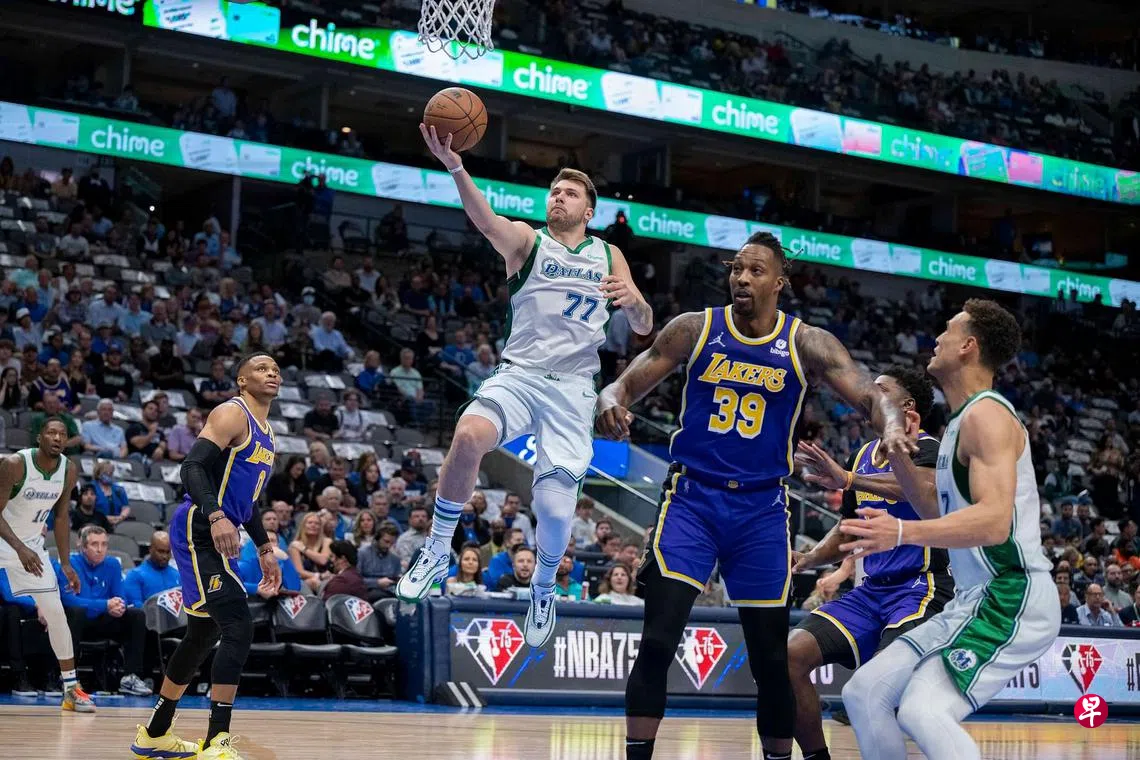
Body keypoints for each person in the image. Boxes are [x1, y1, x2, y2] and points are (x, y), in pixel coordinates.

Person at [596, 232, 911, 760]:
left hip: (761, 510)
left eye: (755, 271)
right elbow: (623, 385)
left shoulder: (807, 342)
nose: (741, 278)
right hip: (692, 501)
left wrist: (894, 424)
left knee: (770, 661)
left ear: (779, 282)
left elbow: (868, 394)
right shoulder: (695, 328)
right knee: (657, 642)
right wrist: (610, 399)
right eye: (736, 269)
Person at [397, 127, 652, 656]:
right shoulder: (527, 241)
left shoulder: (609, 255)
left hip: (574, 389)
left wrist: (634, 301)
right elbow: (484, 220)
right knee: (469, 434)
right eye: (554, 191)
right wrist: (456, 167)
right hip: (520, 374)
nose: (558, 197)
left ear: (588, 210)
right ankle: (438, 549)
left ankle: (542, 586)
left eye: (570, 193)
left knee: (555, 511)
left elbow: (645, 326)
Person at [839, 299, 1061, 760]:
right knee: (863, 692)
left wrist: (901, 533)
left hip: (1010, 594)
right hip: (972, 598)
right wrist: (897, 450)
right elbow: (928, 506)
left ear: (968, 346)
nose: (937, 338)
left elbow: (994, 522)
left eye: (947, 330)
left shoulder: (987, 415)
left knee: (923, 711)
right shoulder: (959, 424)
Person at [788, 365, 953, 760]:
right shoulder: (861, 455)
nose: (868, 393)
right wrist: (809, 558)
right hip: (870, 592)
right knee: (789, 657)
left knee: (875, 685)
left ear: (907, 406)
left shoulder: (930, 448)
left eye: (881, 389)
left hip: (921, 588)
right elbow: (848, 529)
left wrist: (847, 479)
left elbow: (918, 491)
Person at [132, 354, 282, 760]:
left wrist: (264, 547)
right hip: (199, 526)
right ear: (241, 380)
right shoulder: (231, 413)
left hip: (223, 530)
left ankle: (154, 733)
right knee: (237, 624)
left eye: (275, 369)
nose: (272, 372)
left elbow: (248, 502)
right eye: (261, 368)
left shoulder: (268, 434)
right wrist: (215, 516)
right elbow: (192, 467)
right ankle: (217, 740)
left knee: (202, 633)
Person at [0, 418, 95, 712]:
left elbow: (62, 517)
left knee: (55, 613)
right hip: (8, 541)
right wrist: (19, 548)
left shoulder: (68, 469)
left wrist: (66, 564)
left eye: (62, 434)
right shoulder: (15, 464)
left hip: (31, 547)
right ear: (39, 437)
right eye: (51, 432)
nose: (57, 438)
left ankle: (70, 689)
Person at [63, 525, 152, 697]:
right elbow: (70, 600)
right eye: (94, 544)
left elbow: (120, 597)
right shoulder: (70, 565)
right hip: (79, 623)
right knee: (76, 611)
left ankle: (130, 678)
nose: (100, 549)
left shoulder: (112, 564)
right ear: (83, 547)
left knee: (136, 615)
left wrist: (119, 606)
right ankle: (69, 679)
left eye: (104, 544)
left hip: (103, 619)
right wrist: (106, 605)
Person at [122, 531, 180, 607]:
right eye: (160, 551)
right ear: (150, 549)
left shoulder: (177, 575)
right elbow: (136, 609)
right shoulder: (135, 576)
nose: (165, 556)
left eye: (168, 552)